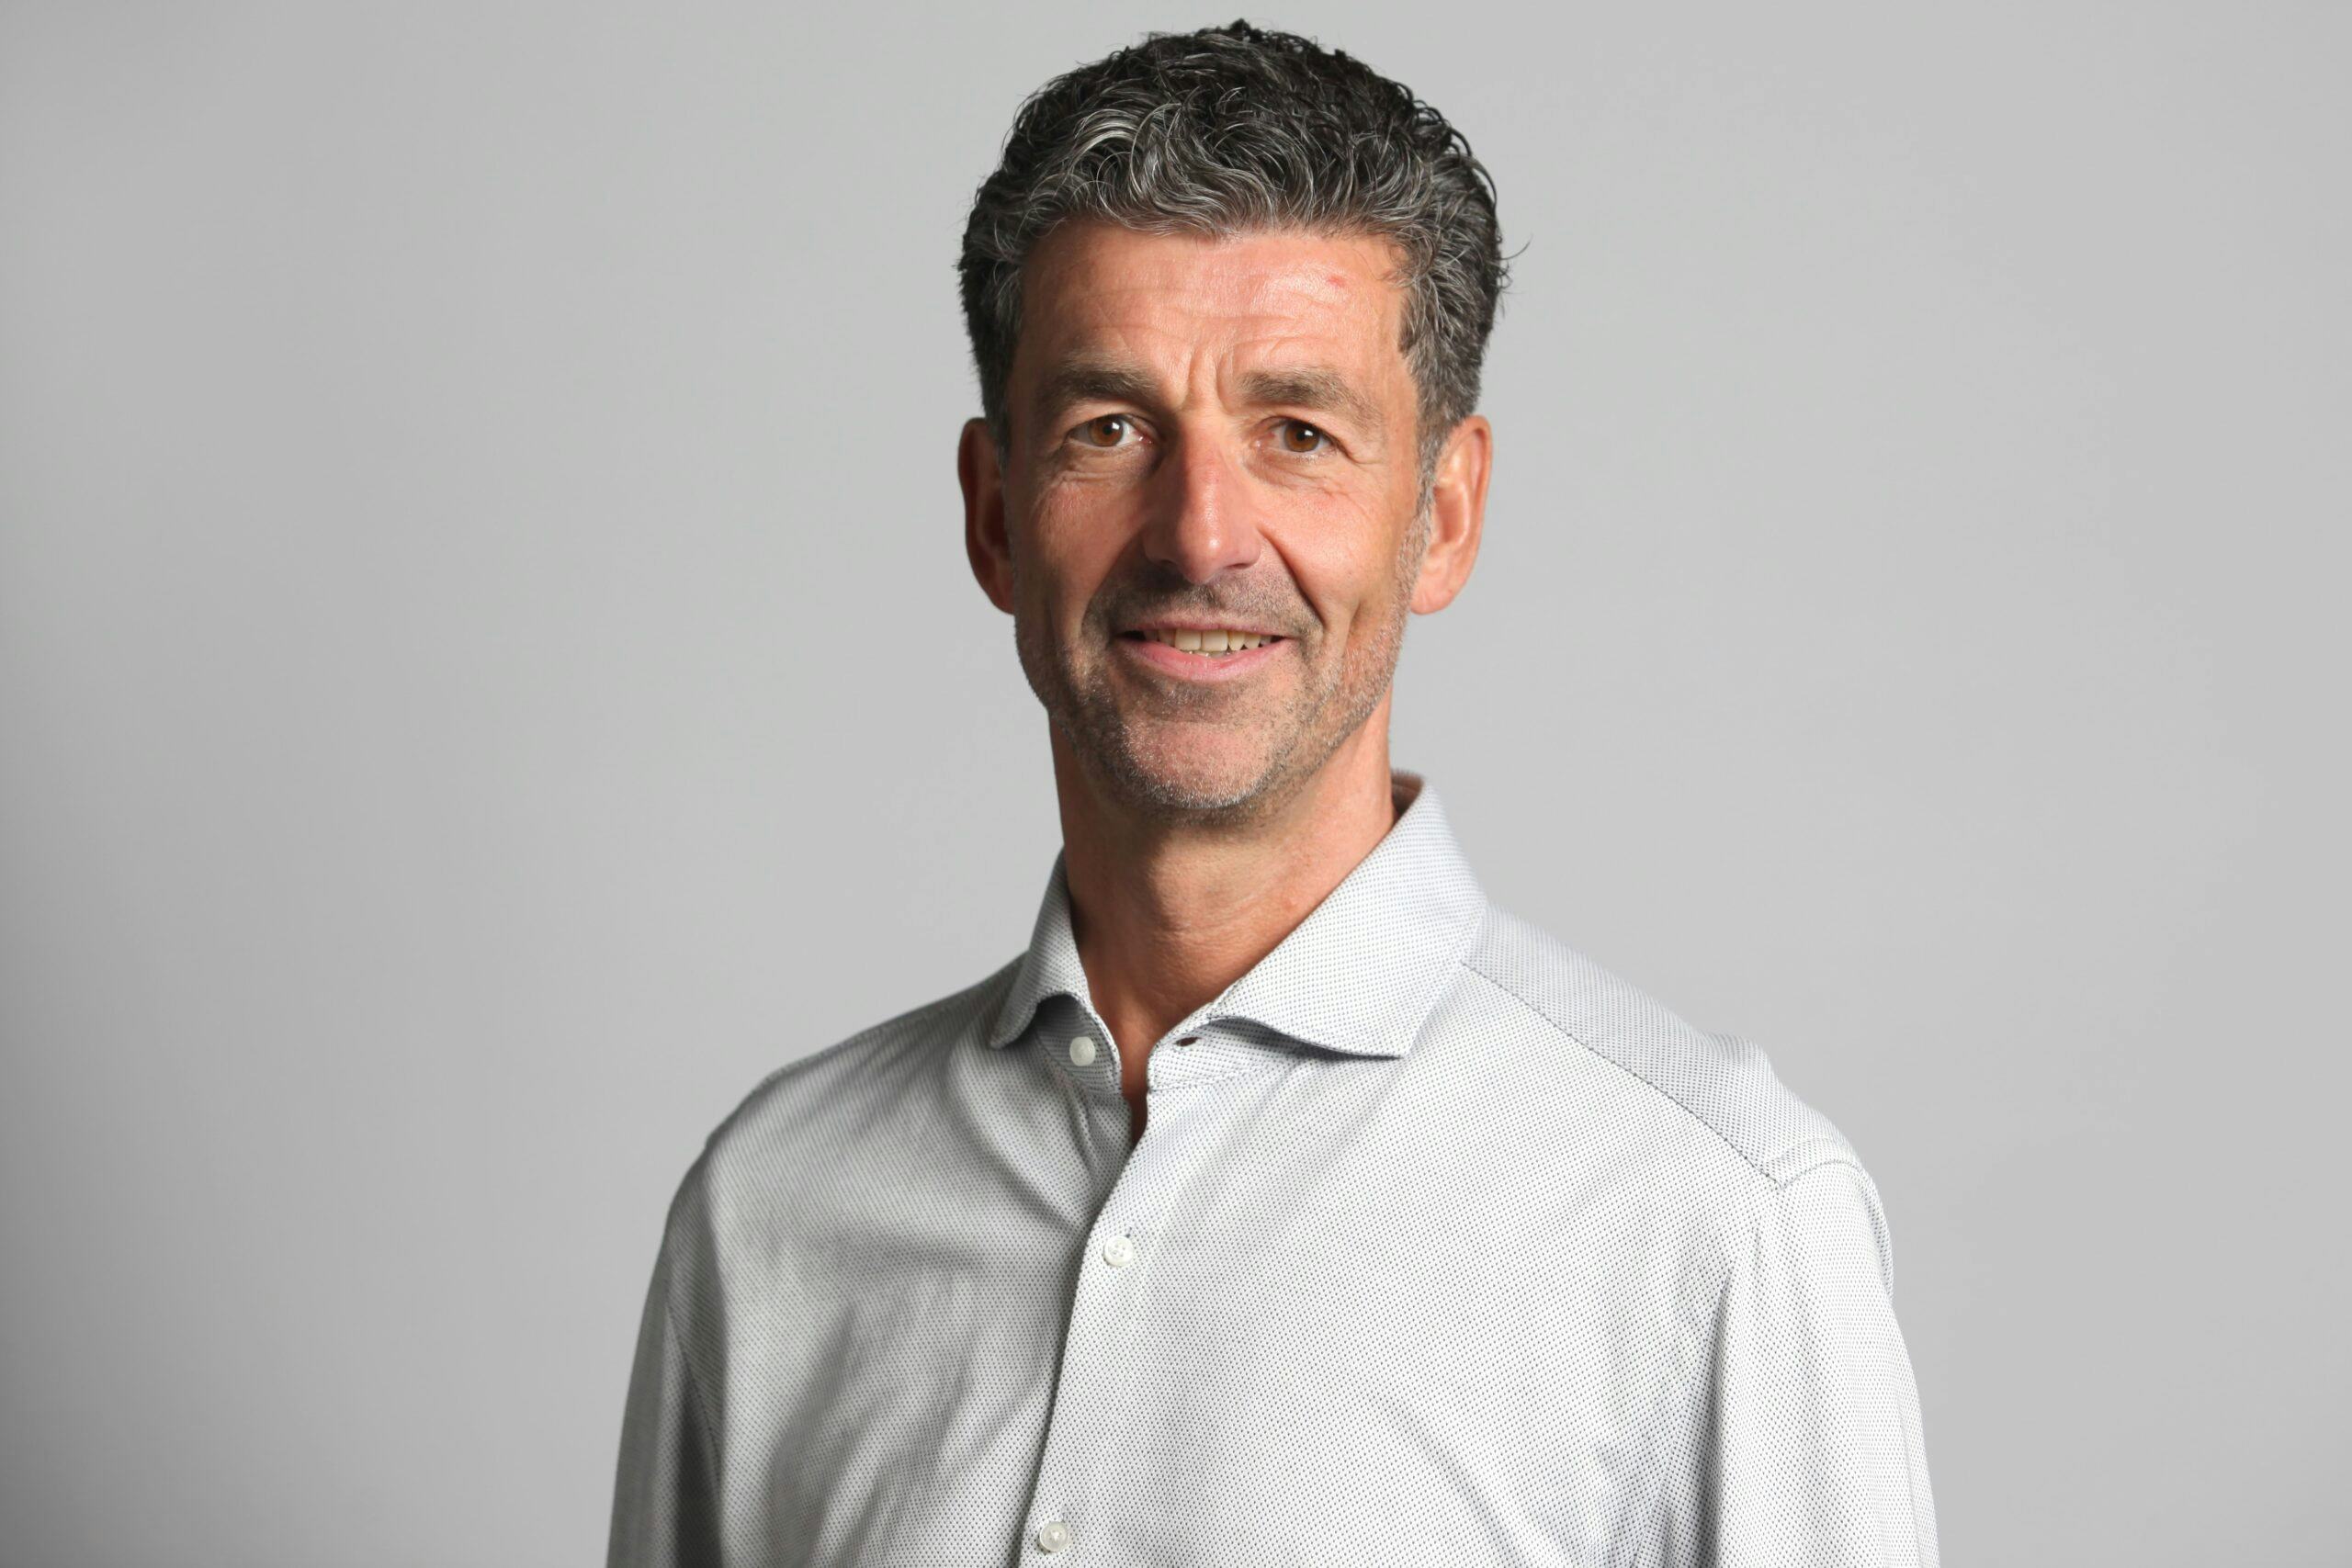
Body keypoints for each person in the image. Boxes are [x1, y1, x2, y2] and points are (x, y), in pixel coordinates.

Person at [607, 20, 1936, 1566]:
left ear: (1443, 515)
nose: (1199, 536)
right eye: (1110, 430)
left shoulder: (1712, 1220)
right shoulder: (773, 1208)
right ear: (993, 515)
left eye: (1298, 433)